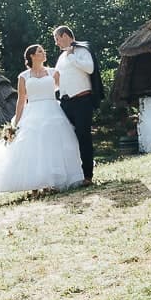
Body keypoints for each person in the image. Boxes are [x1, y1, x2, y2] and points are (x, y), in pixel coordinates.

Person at [0, 44, 85, 193]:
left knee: (54, 145)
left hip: (52, 111)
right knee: (32, 147)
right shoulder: (23, 76)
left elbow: (64, 89)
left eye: (43, 51)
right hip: (33, 112)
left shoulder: (53, 72)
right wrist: (16, 122)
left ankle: (53, 182)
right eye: (40, 51)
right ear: (32, 56)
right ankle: (35, 184)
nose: (43, 53)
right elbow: (21, 99)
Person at [53, 25, 99, 186]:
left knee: (83, 137)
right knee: (67, 138)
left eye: (57, 39)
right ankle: (73, 175)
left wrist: (72, 56)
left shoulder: (82, 50)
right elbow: (57, 81)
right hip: (66, 103)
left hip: (82, 101)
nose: (56, 43)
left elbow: (90, 68)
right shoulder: (60, 58)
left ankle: (88, 175)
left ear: (65, 35)